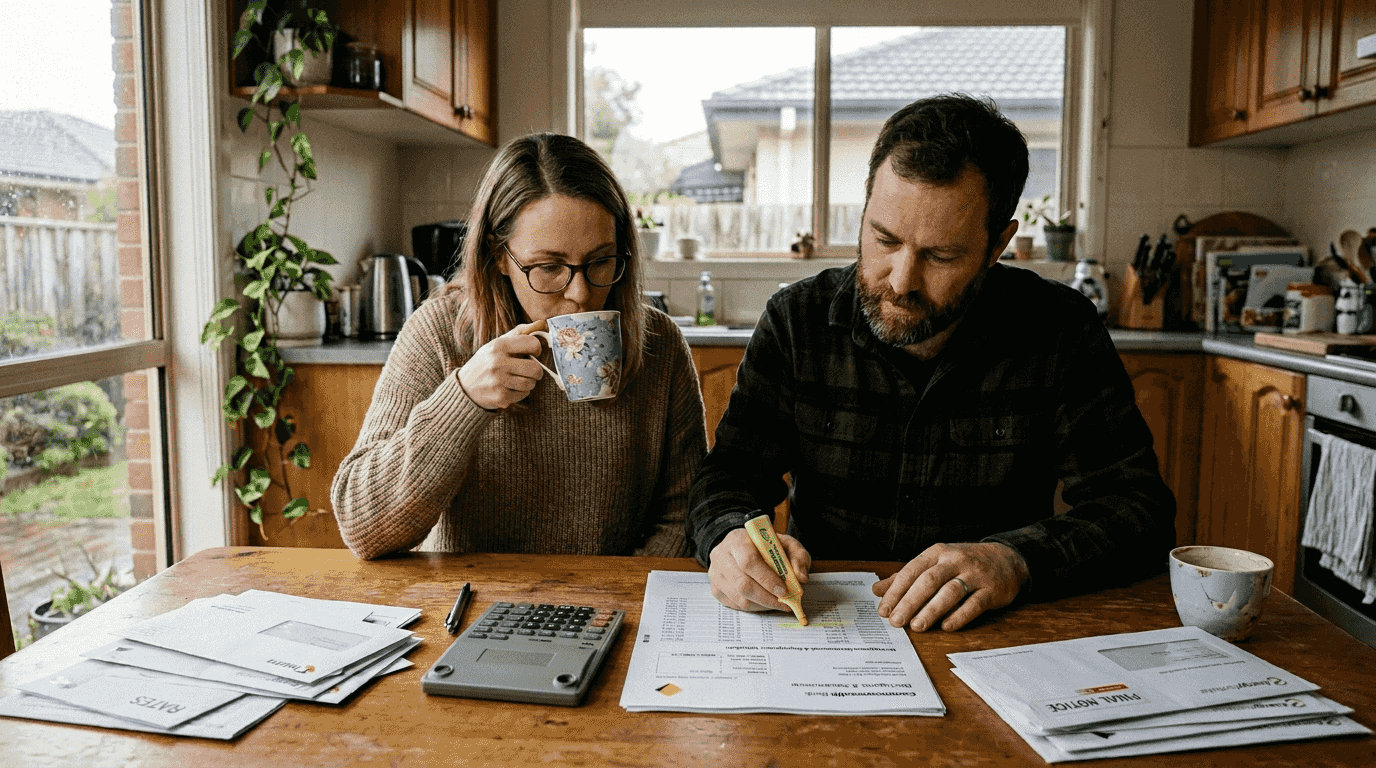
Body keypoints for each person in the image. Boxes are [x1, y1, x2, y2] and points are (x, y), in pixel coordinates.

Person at [687, 94, 1175, 632]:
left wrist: (1017, 561)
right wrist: (730, 536)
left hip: (991, 634)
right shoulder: (796, 322)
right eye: (883, 239)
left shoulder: (1060, 331)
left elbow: (1139, 512)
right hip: (830, 631)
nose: (900, 280)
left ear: (997, 246)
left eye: (940, 256)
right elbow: (728, 477)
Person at [332, 133, 707, 560]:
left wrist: (616, 593)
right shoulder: (439, 333)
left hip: (614, 611)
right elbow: (364, 529)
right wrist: (464, 400)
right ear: (499, 256)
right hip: (472, 606)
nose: (581, 294)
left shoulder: (659, 343)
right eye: (549, 267)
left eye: (601, 260)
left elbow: (685, 514)